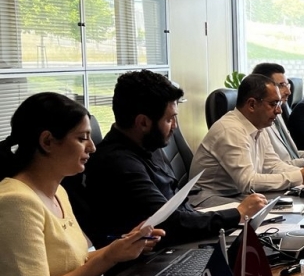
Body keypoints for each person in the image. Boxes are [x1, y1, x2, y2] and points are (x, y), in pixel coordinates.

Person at [0, 93, 164, 276]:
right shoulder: (16, 202)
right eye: (82, 138)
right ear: (47, 142)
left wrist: (121, 247)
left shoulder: (59, 191)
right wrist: (108, 258)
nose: (92, 147)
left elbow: (76, 262)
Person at [83, 70, 267, 247]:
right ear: (143, 122)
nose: (175, 126)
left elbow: (176, 206)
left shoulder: (147, 145)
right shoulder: (119, 164)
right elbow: (170, 222)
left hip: (179, 238)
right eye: (169, 119)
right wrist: (237, 213)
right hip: (153, 258)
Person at [191, 74, 304, 199]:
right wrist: (300, 176)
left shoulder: (258, 127)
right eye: (273, 104)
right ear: (252, 104)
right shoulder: (230, 130)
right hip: (209, 202)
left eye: (279, 104)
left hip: (237, 197)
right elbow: (248, 182)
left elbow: (273, 166)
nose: (279, 111)